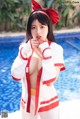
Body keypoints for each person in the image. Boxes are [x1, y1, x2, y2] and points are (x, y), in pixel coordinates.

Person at [11, 0, 65, 119]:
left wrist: (45, 53)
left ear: (48, 28)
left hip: (48, 103)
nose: (38, 32)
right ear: (29, 29)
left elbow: (50, 80)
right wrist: (24, 52)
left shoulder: (55, 49)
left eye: (42, 26)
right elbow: (15, 75)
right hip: (27, 103)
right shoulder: (24, 48)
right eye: (33, 27)